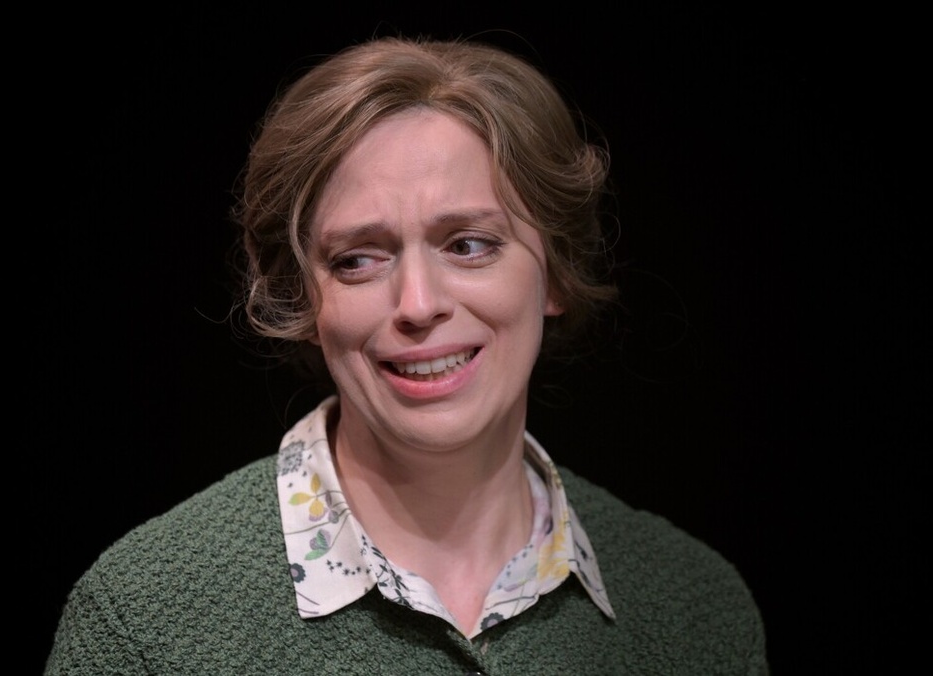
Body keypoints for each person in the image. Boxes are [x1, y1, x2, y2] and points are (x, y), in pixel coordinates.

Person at [44, 35, 768, 674]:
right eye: (358, 259)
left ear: (554, 273)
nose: (418, 304)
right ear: (305, 301)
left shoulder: (698, 611)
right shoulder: (143, 621)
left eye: (469, 245)